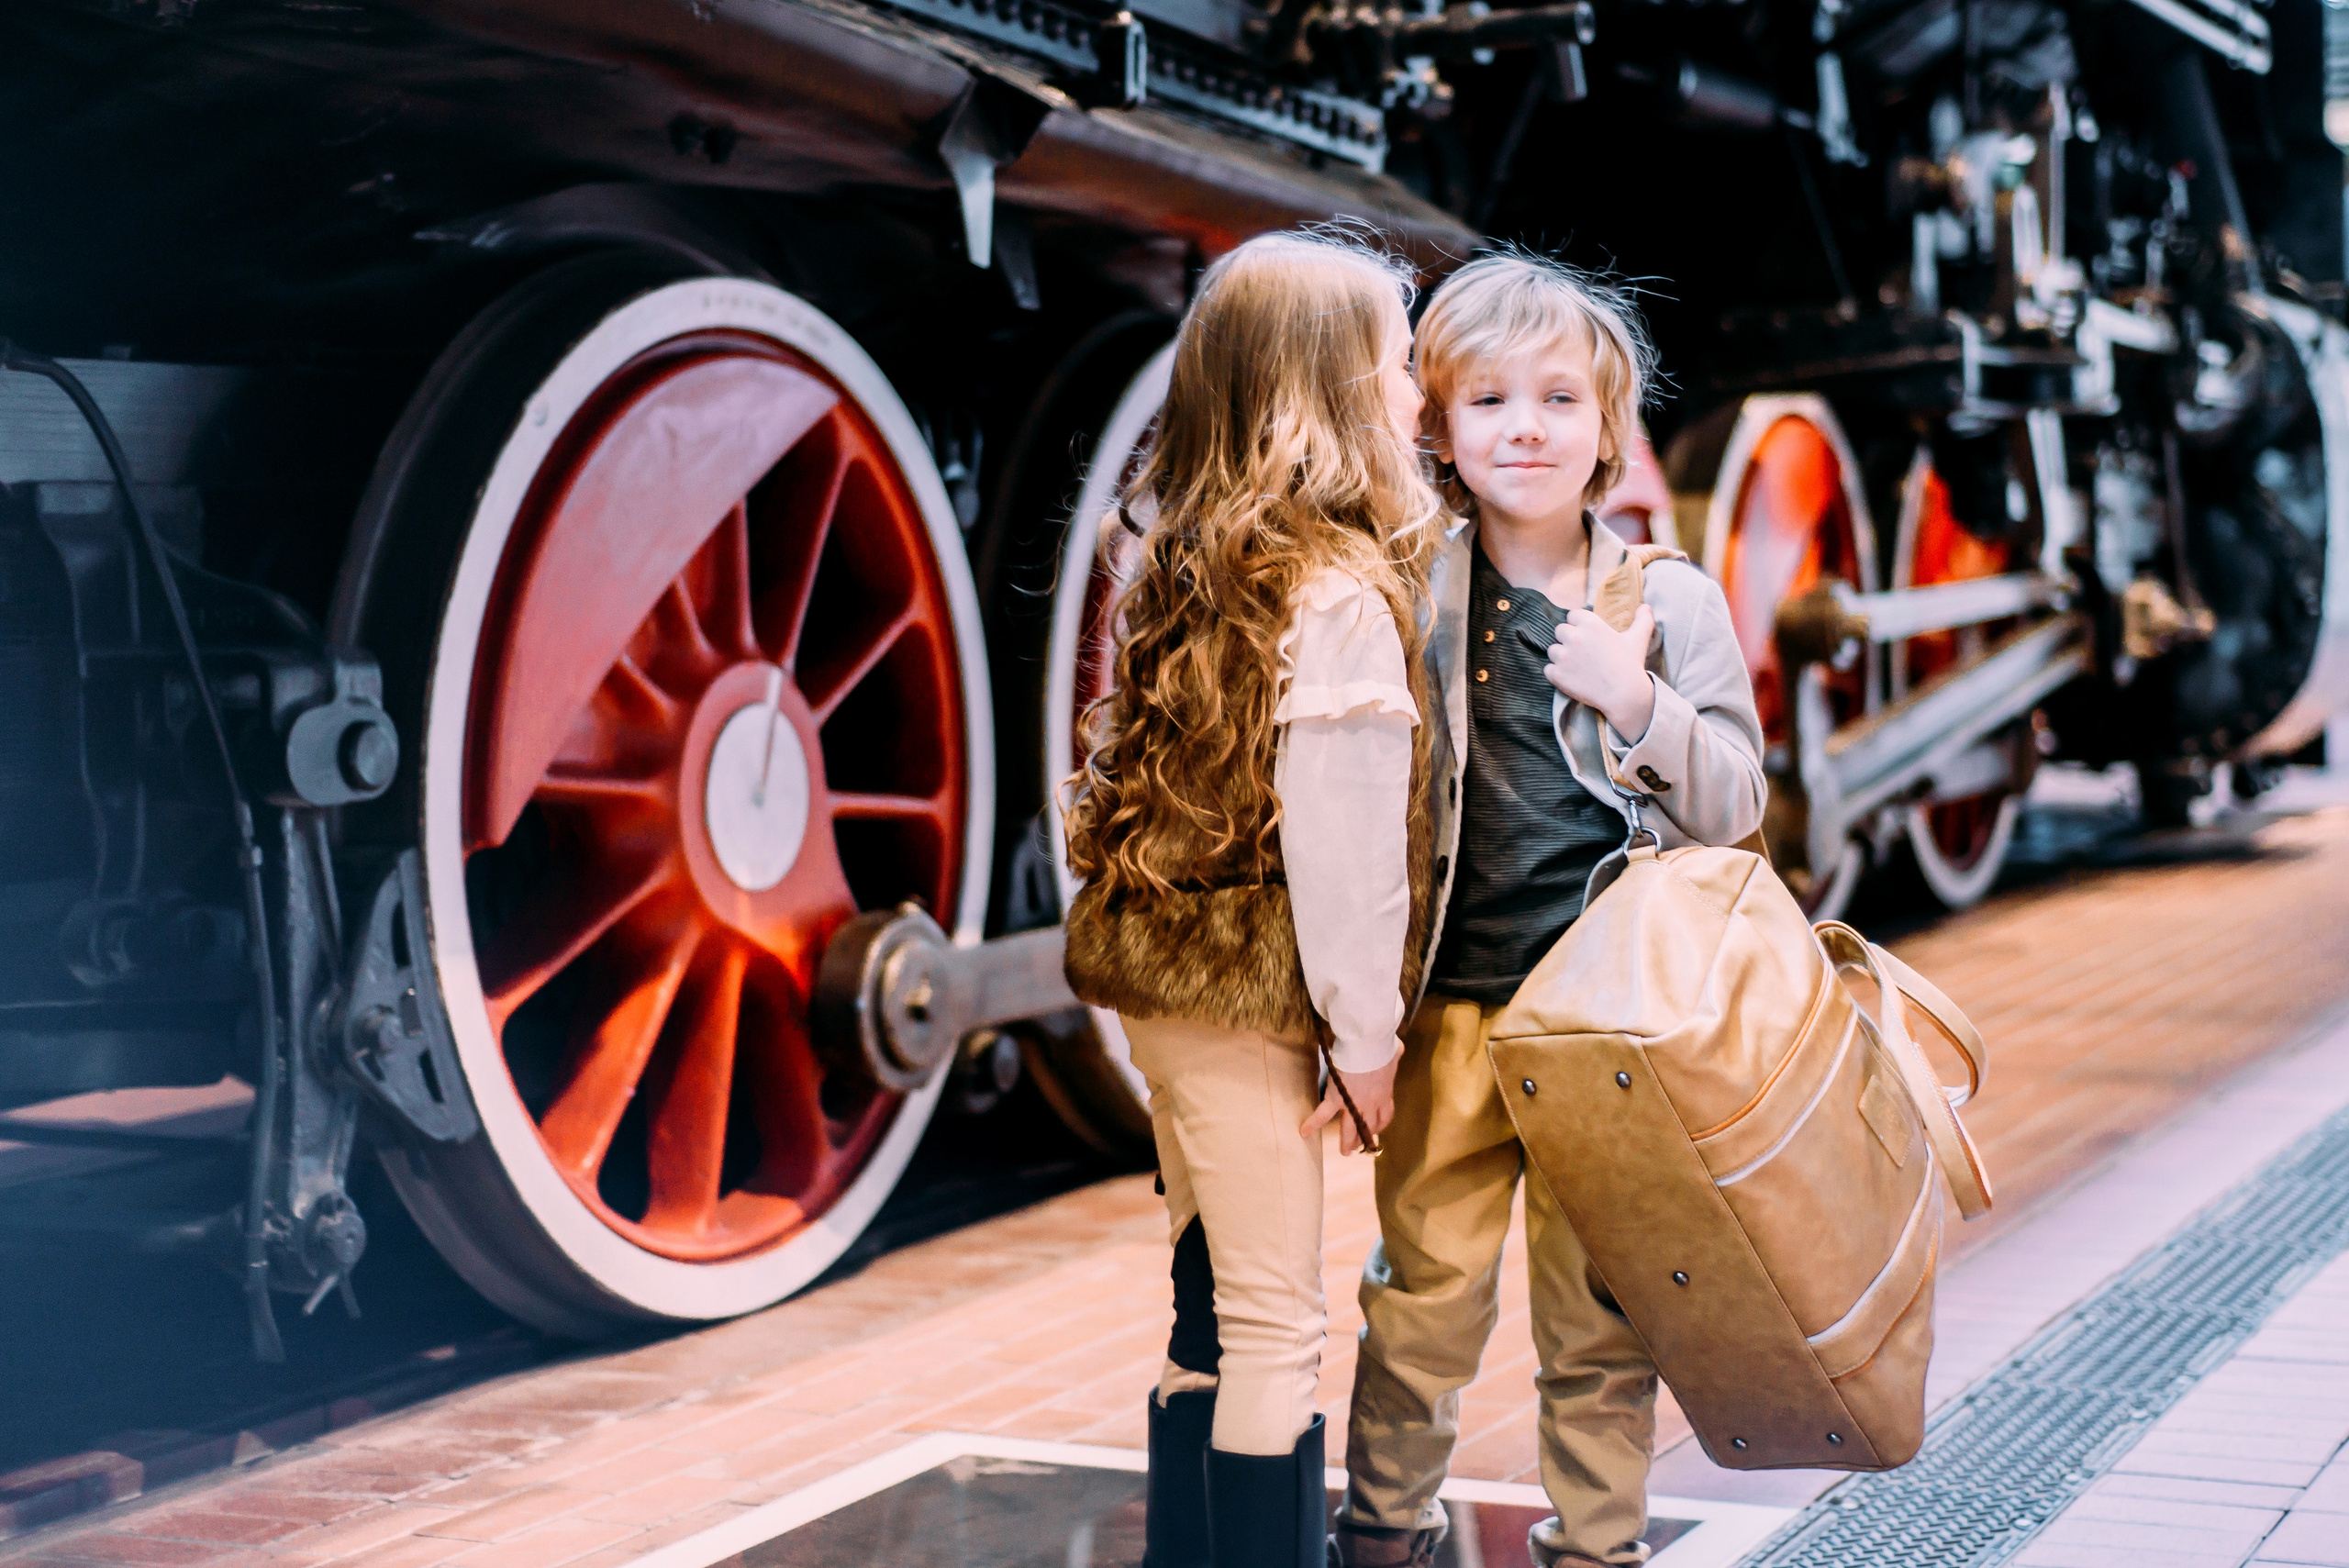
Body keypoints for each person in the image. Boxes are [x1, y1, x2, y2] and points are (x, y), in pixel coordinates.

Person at [1336, 253, 1767, 1568]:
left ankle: (1596, 1549)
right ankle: (1383, 1530)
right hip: (1455, 1019)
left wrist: (1638, 704)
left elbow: (1740, 801)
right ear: (1439, 431)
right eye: (1488, 401)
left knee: (1602, 1321)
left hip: (1608, 1044)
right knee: (1422, 1303)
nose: (1526, 427)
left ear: (1606, 428)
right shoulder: (1408, 596)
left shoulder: (1670, 602)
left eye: (1558, 400)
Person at [1060, 228, 1447, 1568]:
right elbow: (1344, 859)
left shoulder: (1180, 557)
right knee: (1278, 1326)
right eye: (1400, 366)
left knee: (1205, 1311)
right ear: (1329, 388)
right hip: (1257, 997)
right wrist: (1368, 1041)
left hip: (1162, 989)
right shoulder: (1339, 591)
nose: (1420, 395)